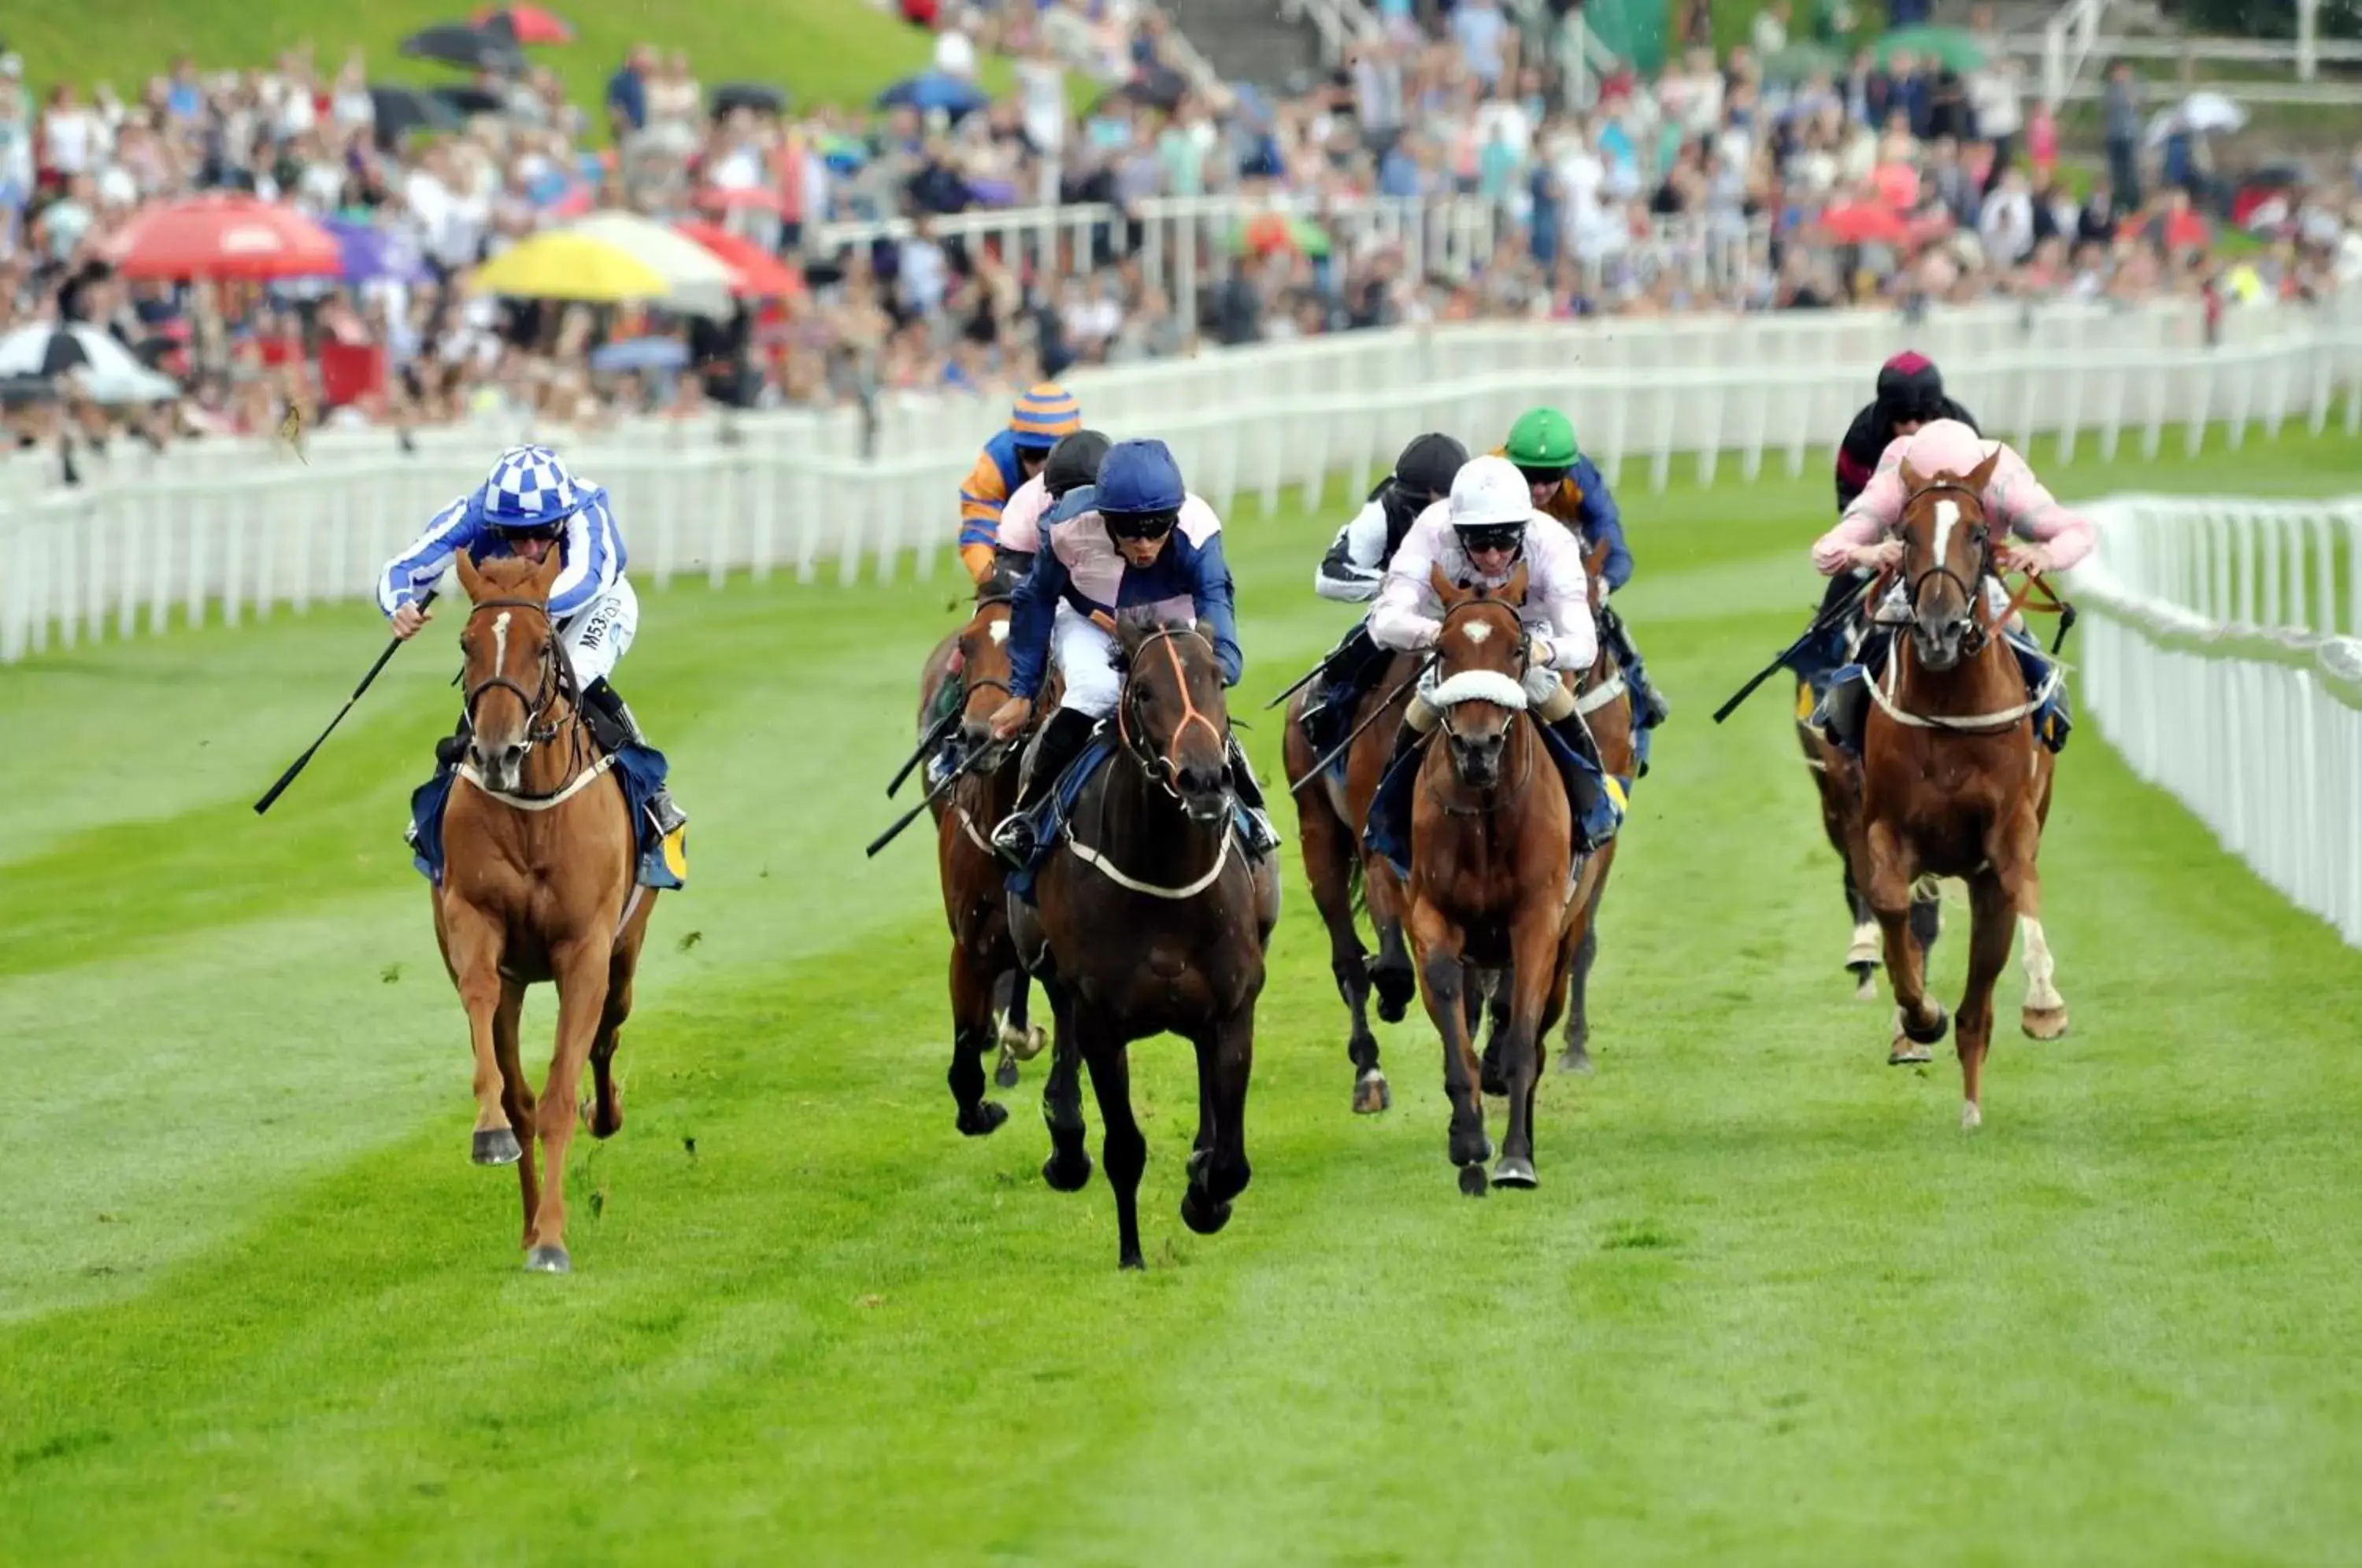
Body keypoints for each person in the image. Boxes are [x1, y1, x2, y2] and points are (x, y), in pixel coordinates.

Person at [984, 437, 1279, 865]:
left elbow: (1215, 596)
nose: (1144, 544)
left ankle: (1252, 813)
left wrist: (1219, 669)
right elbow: (1036, 599)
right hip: (1091, 621)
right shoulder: (1066, 525)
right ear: (1105, 518)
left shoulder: (1197, 526)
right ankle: (1027, 816)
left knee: (1192, 697)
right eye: (1130, 530)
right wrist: (1022, 694)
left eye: (1157, 528)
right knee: (1094, 691)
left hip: (1170, 618)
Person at [379, 443, 687, 844]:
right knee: (492, 678)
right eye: (517, 536)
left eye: (544, 532)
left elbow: (592, 576)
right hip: (520, 610)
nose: (531, 548)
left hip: (593, 606)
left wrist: (525, 608)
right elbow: (404, 568)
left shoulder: (587, 506)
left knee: (577, 675)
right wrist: (399, 605)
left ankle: (653, 793)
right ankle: (445, 789)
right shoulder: (473, 515)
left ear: (561, 518)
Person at [1363, 455, 1623, 869]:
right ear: (1457, 531)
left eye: (1504, 541)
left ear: (1525, 528)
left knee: (1550, 695)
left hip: (1525, 639)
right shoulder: (1432, 530)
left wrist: (1539, 652)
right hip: (1453, 639)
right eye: (1478, 542)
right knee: (1425, 702)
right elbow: (1384, 621)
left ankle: (1594, 806)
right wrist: (1438, 637)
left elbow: (1582, 641)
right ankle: (1389, 817)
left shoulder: (1552, 542)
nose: (1492, 555)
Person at [1809, 419, 2092, 755]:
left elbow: (2078, 532)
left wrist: (2045, 553)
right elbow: (1824, 552)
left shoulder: (2004, 484)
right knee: (1877, 630)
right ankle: (1848, 723)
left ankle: (2049, 703)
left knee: (2020, 635)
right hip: (1914, 584)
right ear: (1913, 482)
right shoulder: (1896, 483)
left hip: (1981, 584)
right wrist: (1867, 552)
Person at [921, 427, 1111, 790]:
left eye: (1048, 454)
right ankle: (945, 725)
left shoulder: (1107, 480)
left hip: (1095, 583)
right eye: (1032, 455)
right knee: (986, 631)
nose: (1039, 464)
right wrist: (990, 583)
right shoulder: (1022, 501)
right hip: (1027, 576)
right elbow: (999, 564)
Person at [1790, 353, 1984, 701]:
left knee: (2006, 611)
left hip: (1953, 545)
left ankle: (2044, 693)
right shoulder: (1862, 438)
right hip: (1886, 543)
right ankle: (1822, 675)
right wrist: (1877, 550)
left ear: (1937, 412)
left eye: (1922, 417)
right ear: (1885, 416)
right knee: (1836, 603)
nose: (1912, 427)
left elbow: (1981, 506)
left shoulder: (1963, 431)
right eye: (1902, 418)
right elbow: (1851, 510)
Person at [1296, 431, 1470, 761]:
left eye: (1445, 509)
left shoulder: (1483, 505)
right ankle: (1325, 712)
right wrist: (1392, 584)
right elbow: (1328, 576)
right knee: (1360, 645)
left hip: (1472, 610)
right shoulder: (1381, 509)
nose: (1430, 519)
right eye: (1419, 508)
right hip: (1405, 613)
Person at [1497, 405, 1671, 733]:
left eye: (1550, 478)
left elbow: (1617, 553)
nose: (1539, 490)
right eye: (1529, 477)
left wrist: (1598, 587)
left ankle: (1640, 691)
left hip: (1562, 571)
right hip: (1496, 576)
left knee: (1607, 623)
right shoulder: (1487, 475)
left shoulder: (1583, 480)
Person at [957, 382, 1083, 586]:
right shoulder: (995, 464)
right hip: (1013, 560)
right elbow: (978, 533)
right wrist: (994, 583)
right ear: (1017, 448)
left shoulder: (1092, 462)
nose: (1042, 470)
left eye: (1052, 456)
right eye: (1032, 455)